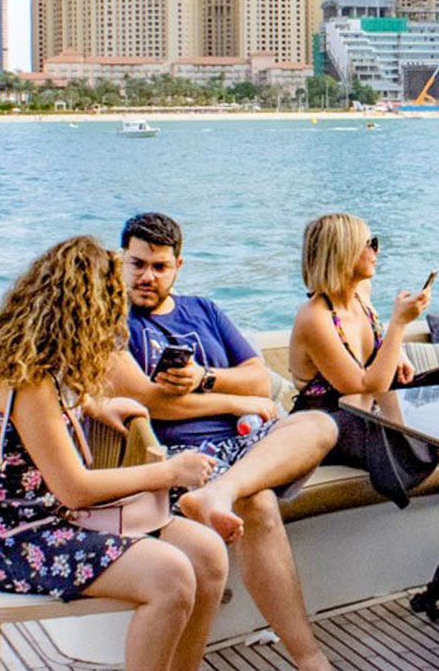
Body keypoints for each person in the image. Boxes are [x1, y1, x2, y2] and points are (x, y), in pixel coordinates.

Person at [0, 236, 227, 671]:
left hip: (52, 518)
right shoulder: (27, 379)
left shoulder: (41, 364)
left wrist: (95, 405)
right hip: (8, 540)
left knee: (207, 554)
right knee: (170, 575)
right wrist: (170, 472)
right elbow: (75, 489)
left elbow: (52, 416)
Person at [107, 213, 337, 671]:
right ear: (120, 262)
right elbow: (151, 402)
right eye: (137, 265)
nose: (146, 276)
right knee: (261, 506)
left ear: (178, 266)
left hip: (241, 449)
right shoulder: (110, 322)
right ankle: (310, 659)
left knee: (320, 424)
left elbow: (255, 378)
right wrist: (230, 405)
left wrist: (204, 378)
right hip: (177, 456)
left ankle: (223, 492)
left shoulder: (204, 310)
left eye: (159, 266)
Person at [288, 212, 438, 502]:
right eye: (369, 244)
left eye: (375, 242)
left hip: (369, 417)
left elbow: (378, 357)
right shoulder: (314, 318)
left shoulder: (361, 293)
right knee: (407, 436)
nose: (376, 251)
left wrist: (399, 352)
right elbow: (368, 383)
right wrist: (399, 324)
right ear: (342, 253)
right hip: (331, 426)